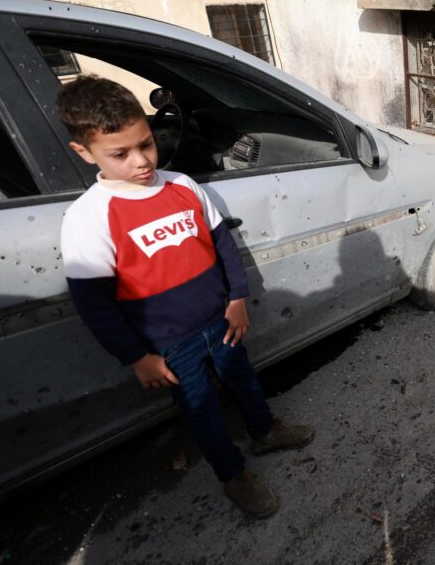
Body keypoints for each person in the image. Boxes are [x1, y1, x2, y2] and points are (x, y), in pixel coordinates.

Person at [57, 75, 314, 518]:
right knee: (202, 411)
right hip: (169, 344)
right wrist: (136, 357)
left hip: (220, 320)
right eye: (120, 154)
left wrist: (237, 298)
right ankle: (234, 475)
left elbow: (222, 245)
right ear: (84, 152)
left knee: (245, 380)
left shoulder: (181, 185)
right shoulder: (88, 218)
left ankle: (266, 431)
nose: (141, 161)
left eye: (146, 144)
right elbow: (94, 304)